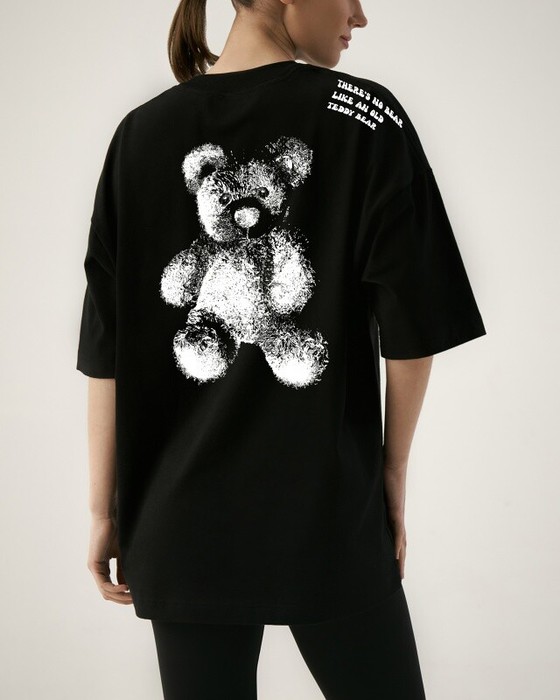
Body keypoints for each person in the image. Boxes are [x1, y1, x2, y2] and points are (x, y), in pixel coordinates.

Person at [77, 0, 487, 697]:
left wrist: (102, 510)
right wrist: (389, 477)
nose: (359, 15)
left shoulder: (139, 134)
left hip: (180, 522)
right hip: (327, 513)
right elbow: (412, 329)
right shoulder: (367, 117)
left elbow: (105, 349)